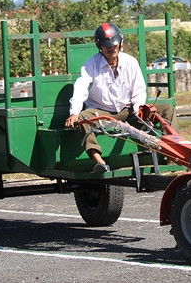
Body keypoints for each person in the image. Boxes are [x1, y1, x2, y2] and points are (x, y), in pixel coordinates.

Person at [65, 22, 175, 173]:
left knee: (167, 109)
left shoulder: (130, 62)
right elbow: (80, 88)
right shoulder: (90, 65)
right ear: (100, 47)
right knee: (83, 118)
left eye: (114, 45)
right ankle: (99, 161)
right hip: (101, 113)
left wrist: (139, 110)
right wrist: (74, 112)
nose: (111, 48)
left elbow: (139, 90)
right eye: (106, 46)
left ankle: (172, 155)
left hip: (128, 110)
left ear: (120, 43)